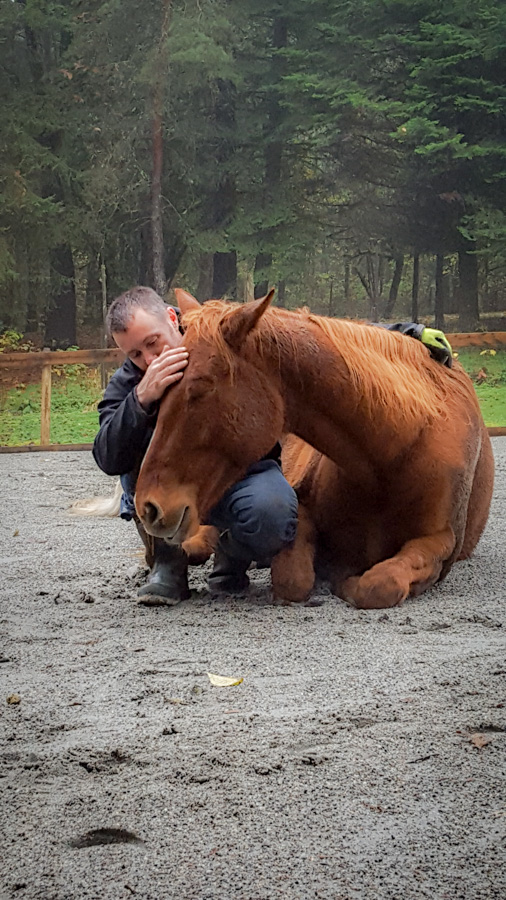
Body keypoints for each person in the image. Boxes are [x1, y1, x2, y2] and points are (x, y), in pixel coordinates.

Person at [93, 285, 453, 605]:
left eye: (153, 343)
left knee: (275, 514)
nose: (149, 360)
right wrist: (140, 399)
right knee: (134, 450)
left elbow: (309, 341)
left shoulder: (216, 341)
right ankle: (167, 564)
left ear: (173, 318)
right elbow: (108, 454)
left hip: (240, 474)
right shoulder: (132, 382)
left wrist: (407, 332)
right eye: (135, 355)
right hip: (173, 485)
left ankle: (231, 551)